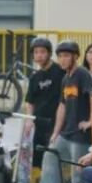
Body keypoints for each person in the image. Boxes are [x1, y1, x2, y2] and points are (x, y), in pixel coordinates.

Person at [37, 41, 92, 183]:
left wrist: (91, 121)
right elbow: (62, 106)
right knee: (50, 156)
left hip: (80, 134)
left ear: (75, 57)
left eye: (66, 56)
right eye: (60, 56)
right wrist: (56, 132)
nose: (62, 59)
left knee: (78, 170)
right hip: (66, 132)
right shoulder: (66, 78)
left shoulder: (83, 74)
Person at [23, 37, 64, 170]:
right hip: (39, 124)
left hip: (57, 123)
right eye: (36, 52)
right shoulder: (35, 77)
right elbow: (30, 101)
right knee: (39, 161)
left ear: (49, 53)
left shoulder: (61, 71)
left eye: (42, 52)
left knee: (54, 159)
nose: (39, 55)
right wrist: (29, 120)